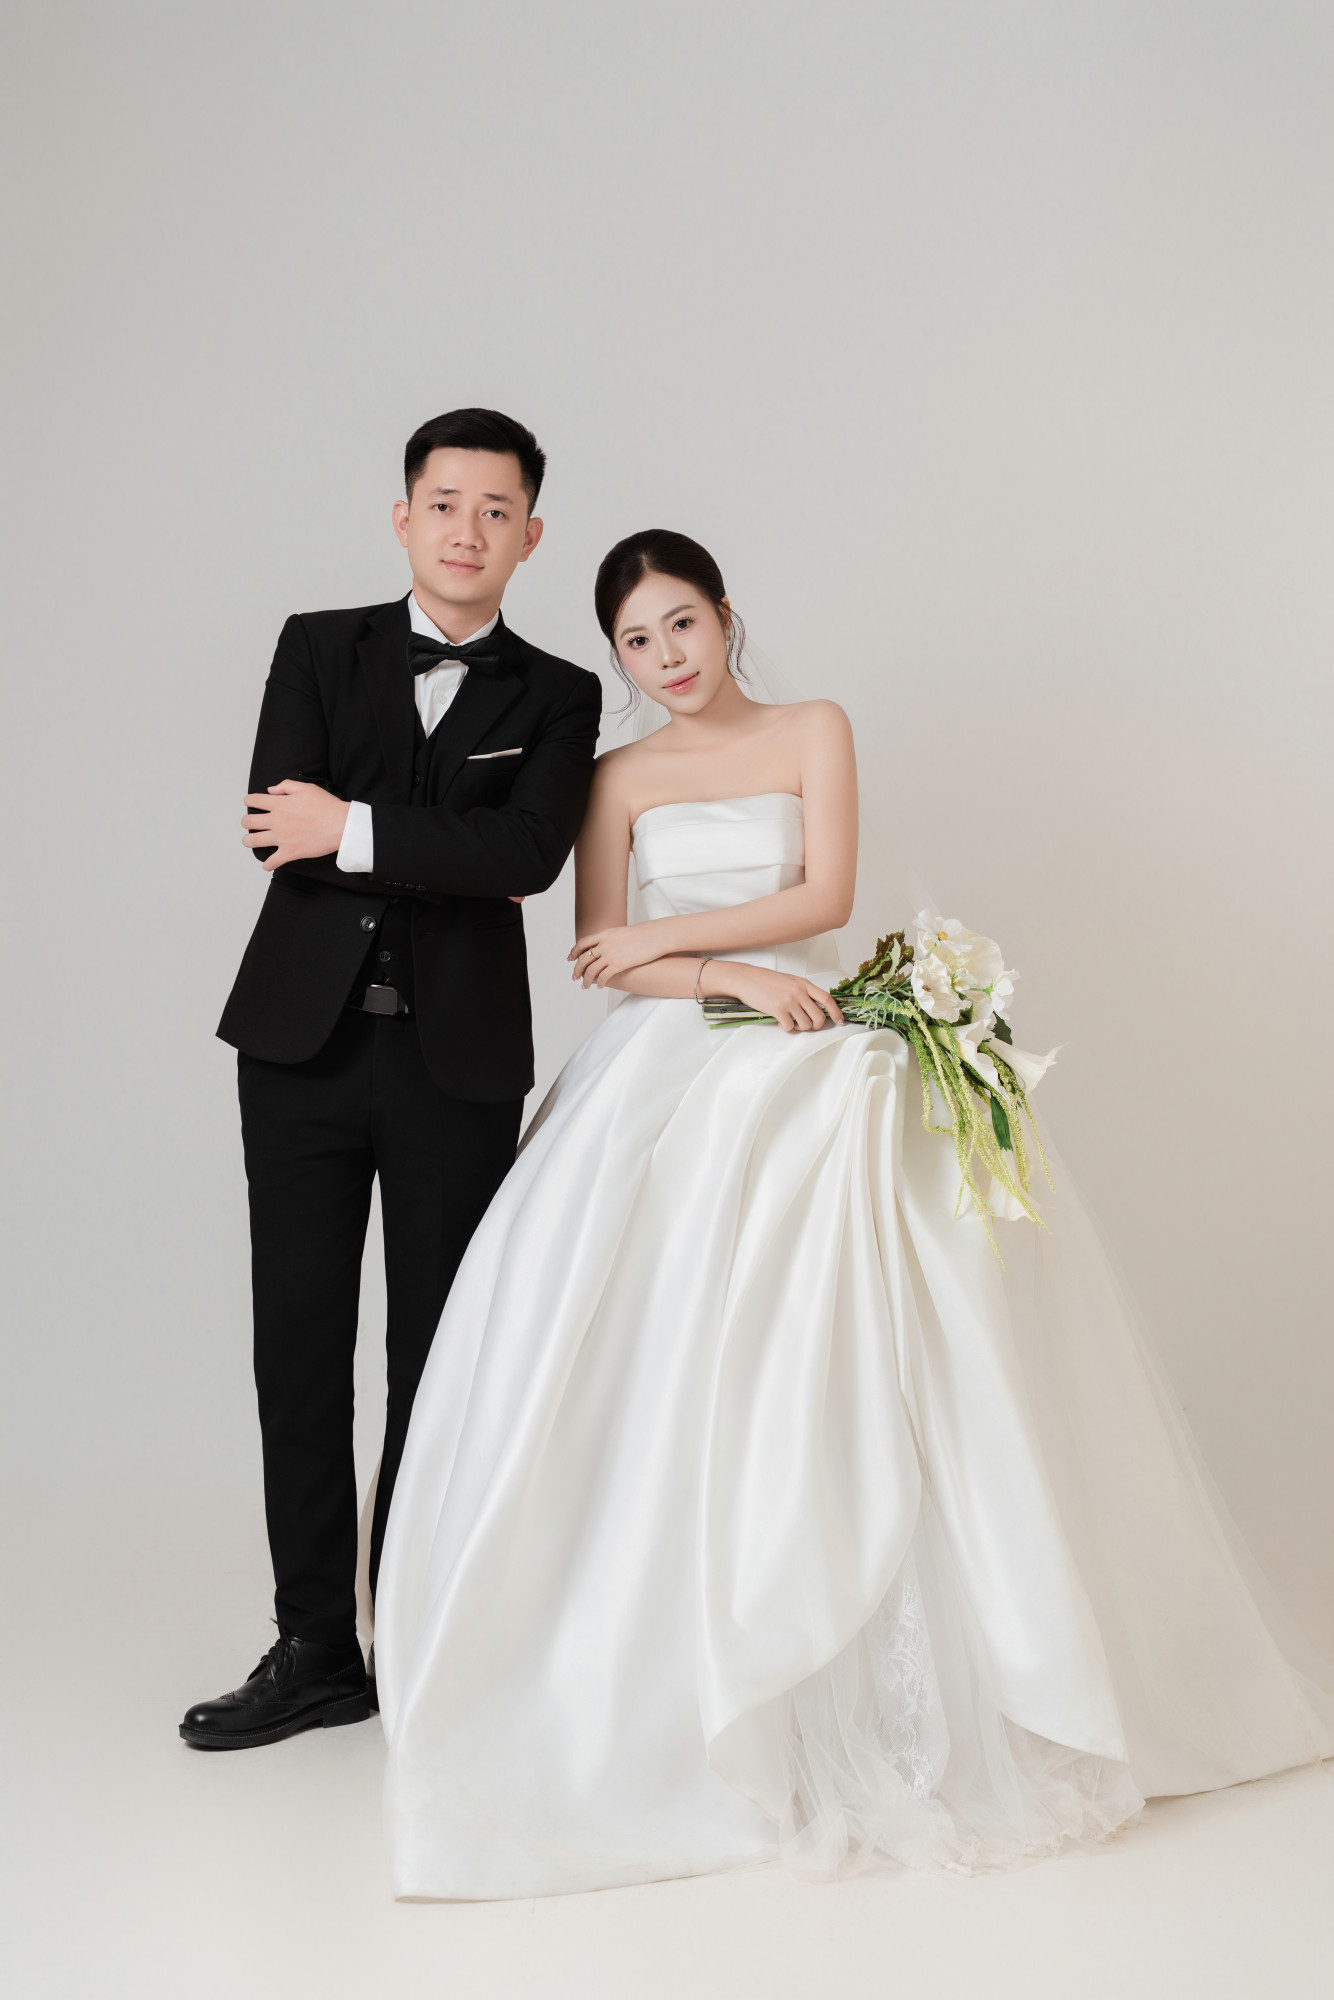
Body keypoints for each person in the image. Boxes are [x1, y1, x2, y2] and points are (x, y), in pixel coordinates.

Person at [374, 528, 1333, 1899]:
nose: (666, 658)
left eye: (683, 623)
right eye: (637, 641)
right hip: (678, 1043)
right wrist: (717, 974)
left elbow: (823, 895)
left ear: (725, 617)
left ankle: (929, 1629)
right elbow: (602, 953)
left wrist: (714, 955)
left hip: (811, 1019)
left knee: (873, 1173)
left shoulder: (812, 727)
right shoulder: (617, 775)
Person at [181, 409, 603, 1750]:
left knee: (439, 1354)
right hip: (297, 1049)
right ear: (405, 516)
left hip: (454, 1064)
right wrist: (432, 844)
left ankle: (417, 1630)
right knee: (298, 1348)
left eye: (496, 510)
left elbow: (526, 858)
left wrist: (354, 823)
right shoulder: (318, 646)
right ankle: (314, 1646)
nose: (468, 529)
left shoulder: (561, 694)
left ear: (531, 535)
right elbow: (276, 826)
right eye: (445, 503)